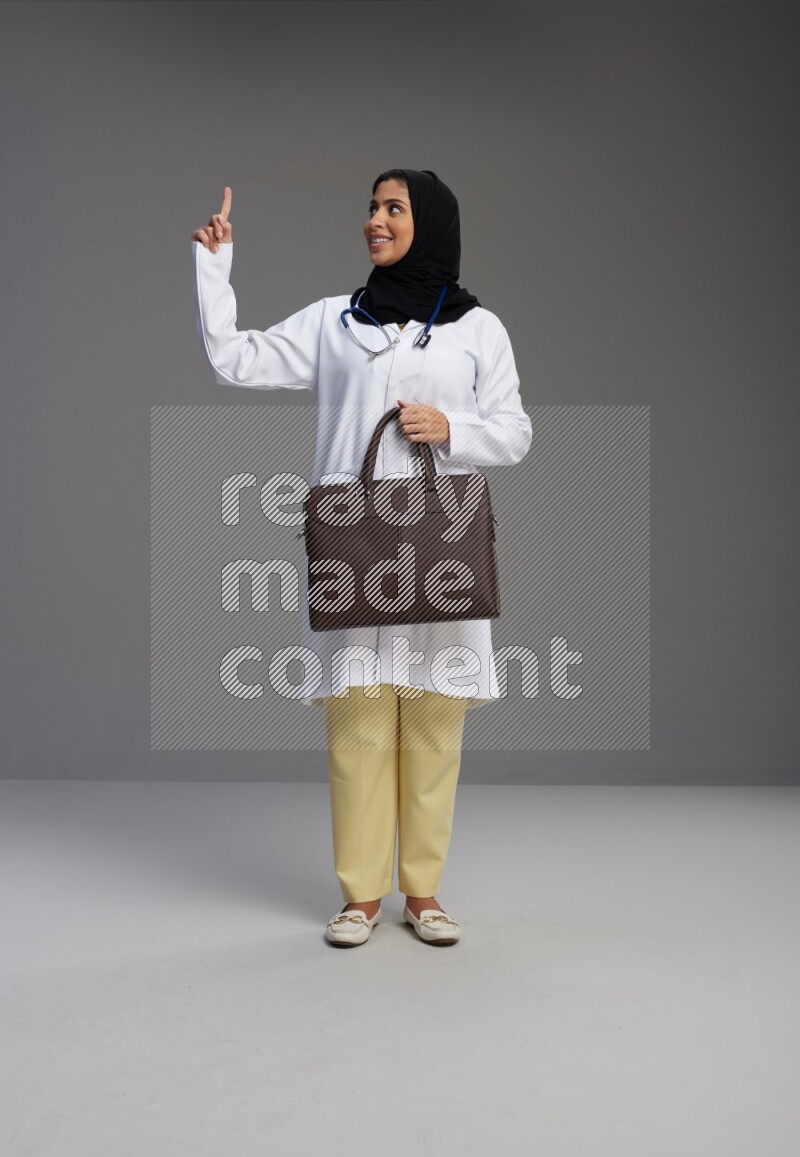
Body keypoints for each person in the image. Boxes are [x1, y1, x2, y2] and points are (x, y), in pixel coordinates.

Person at [191, 169, 531, 947]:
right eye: (372, 208)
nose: (374, 220)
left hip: (439, 544)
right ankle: (360, 897)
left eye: (393, 208)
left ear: (431, 223)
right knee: (358, 730)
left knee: (435, 728)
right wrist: (217, 268)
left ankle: (425, 893)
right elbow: (234, 361)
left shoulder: (479, 331)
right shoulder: (334, 323)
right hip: (357, 545)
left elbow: (515, 432)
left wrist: (451, 428)